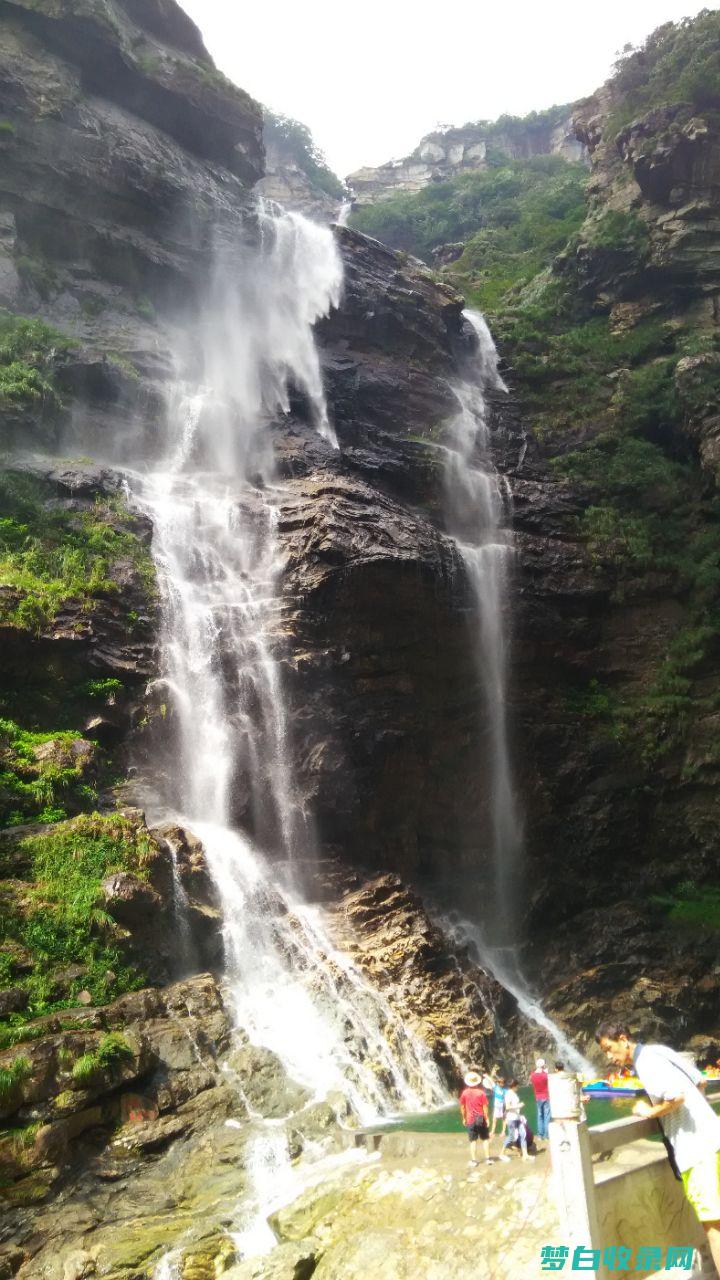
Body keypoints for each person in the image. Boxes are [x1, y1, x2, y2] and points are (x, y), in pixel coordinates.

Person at [596, 1021, 720, 1278]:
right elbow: (699, 1082)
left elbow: (676, 1096)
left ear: (623, 1039)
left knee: (714, 1226)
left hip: (696, 1151)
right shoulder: (659, 1051)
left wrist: (649, 1111)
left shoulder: (646, 1063)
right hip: (714, 1136)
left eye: (609, 1049)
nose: (609, 1057)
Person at [459, 1070, 492, 1167]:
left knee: (473, 1141)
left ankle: (474, 1161)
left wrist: (464, 1118)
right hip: (481, 1118)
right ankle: (488, 1159)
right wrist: (487, 1118)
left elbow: (462, 1107)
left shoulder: (464, 1093)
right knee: (485, 1139)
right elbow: (485, 1107)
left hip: (470, 1119)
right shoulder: (481, 1093)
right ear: (477, 1082)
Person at [499, 1079, 534, 1162]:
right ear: (514, 1085)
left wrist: (518, 1108)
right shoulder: (508, 1094)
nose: (518, 1087)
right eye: (517, 1085)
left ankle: (525, 1155)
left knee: (523, 1134)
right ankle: (501, 1153)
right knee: (511, 1137)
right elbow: (507, 1107)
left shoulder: (513, 1093)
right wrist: (518, 1106)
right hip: (511, 1118)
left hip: (517, 1117)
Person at [530, 1057, 551, 1140]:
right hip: (546, 1096)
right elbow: (548, 1081)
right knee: (547, 1116)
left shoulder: (532, 1075)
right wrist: (546, 1072)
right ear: (543, 1065)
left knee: (540, 1116)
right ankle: (546, 1135)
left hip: (538, 1097)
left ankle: (540, 1135)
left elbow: (535, 1078)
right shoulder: (545, 1075)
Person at [490, 1074, 507, 1142]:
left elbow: (506, 1098)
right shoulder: (496, 1087)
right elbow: (491, 1081)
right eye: (499, 1082)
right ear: (498, 1083)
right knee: (494, 1119)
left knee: (504, 1119)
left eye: (502, 1083)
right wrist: (486, 1076)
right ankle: (492, 1131)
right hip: (496, 1106)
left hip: (502, 1106)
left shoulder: (505, 1090)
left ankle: (503, 1132)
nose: (501, 1084)